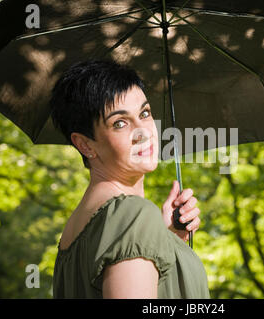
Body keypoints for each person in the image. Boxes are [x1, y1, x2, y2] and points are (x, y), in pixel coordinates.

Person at [49, 59, 210, 298]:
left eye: (144, 113)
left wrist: (167, 237)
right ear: (84, 144)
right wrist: (141, 227)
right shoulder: (131, 215)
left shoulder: (74, 231)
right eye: (120, 123)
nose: (143, 131)